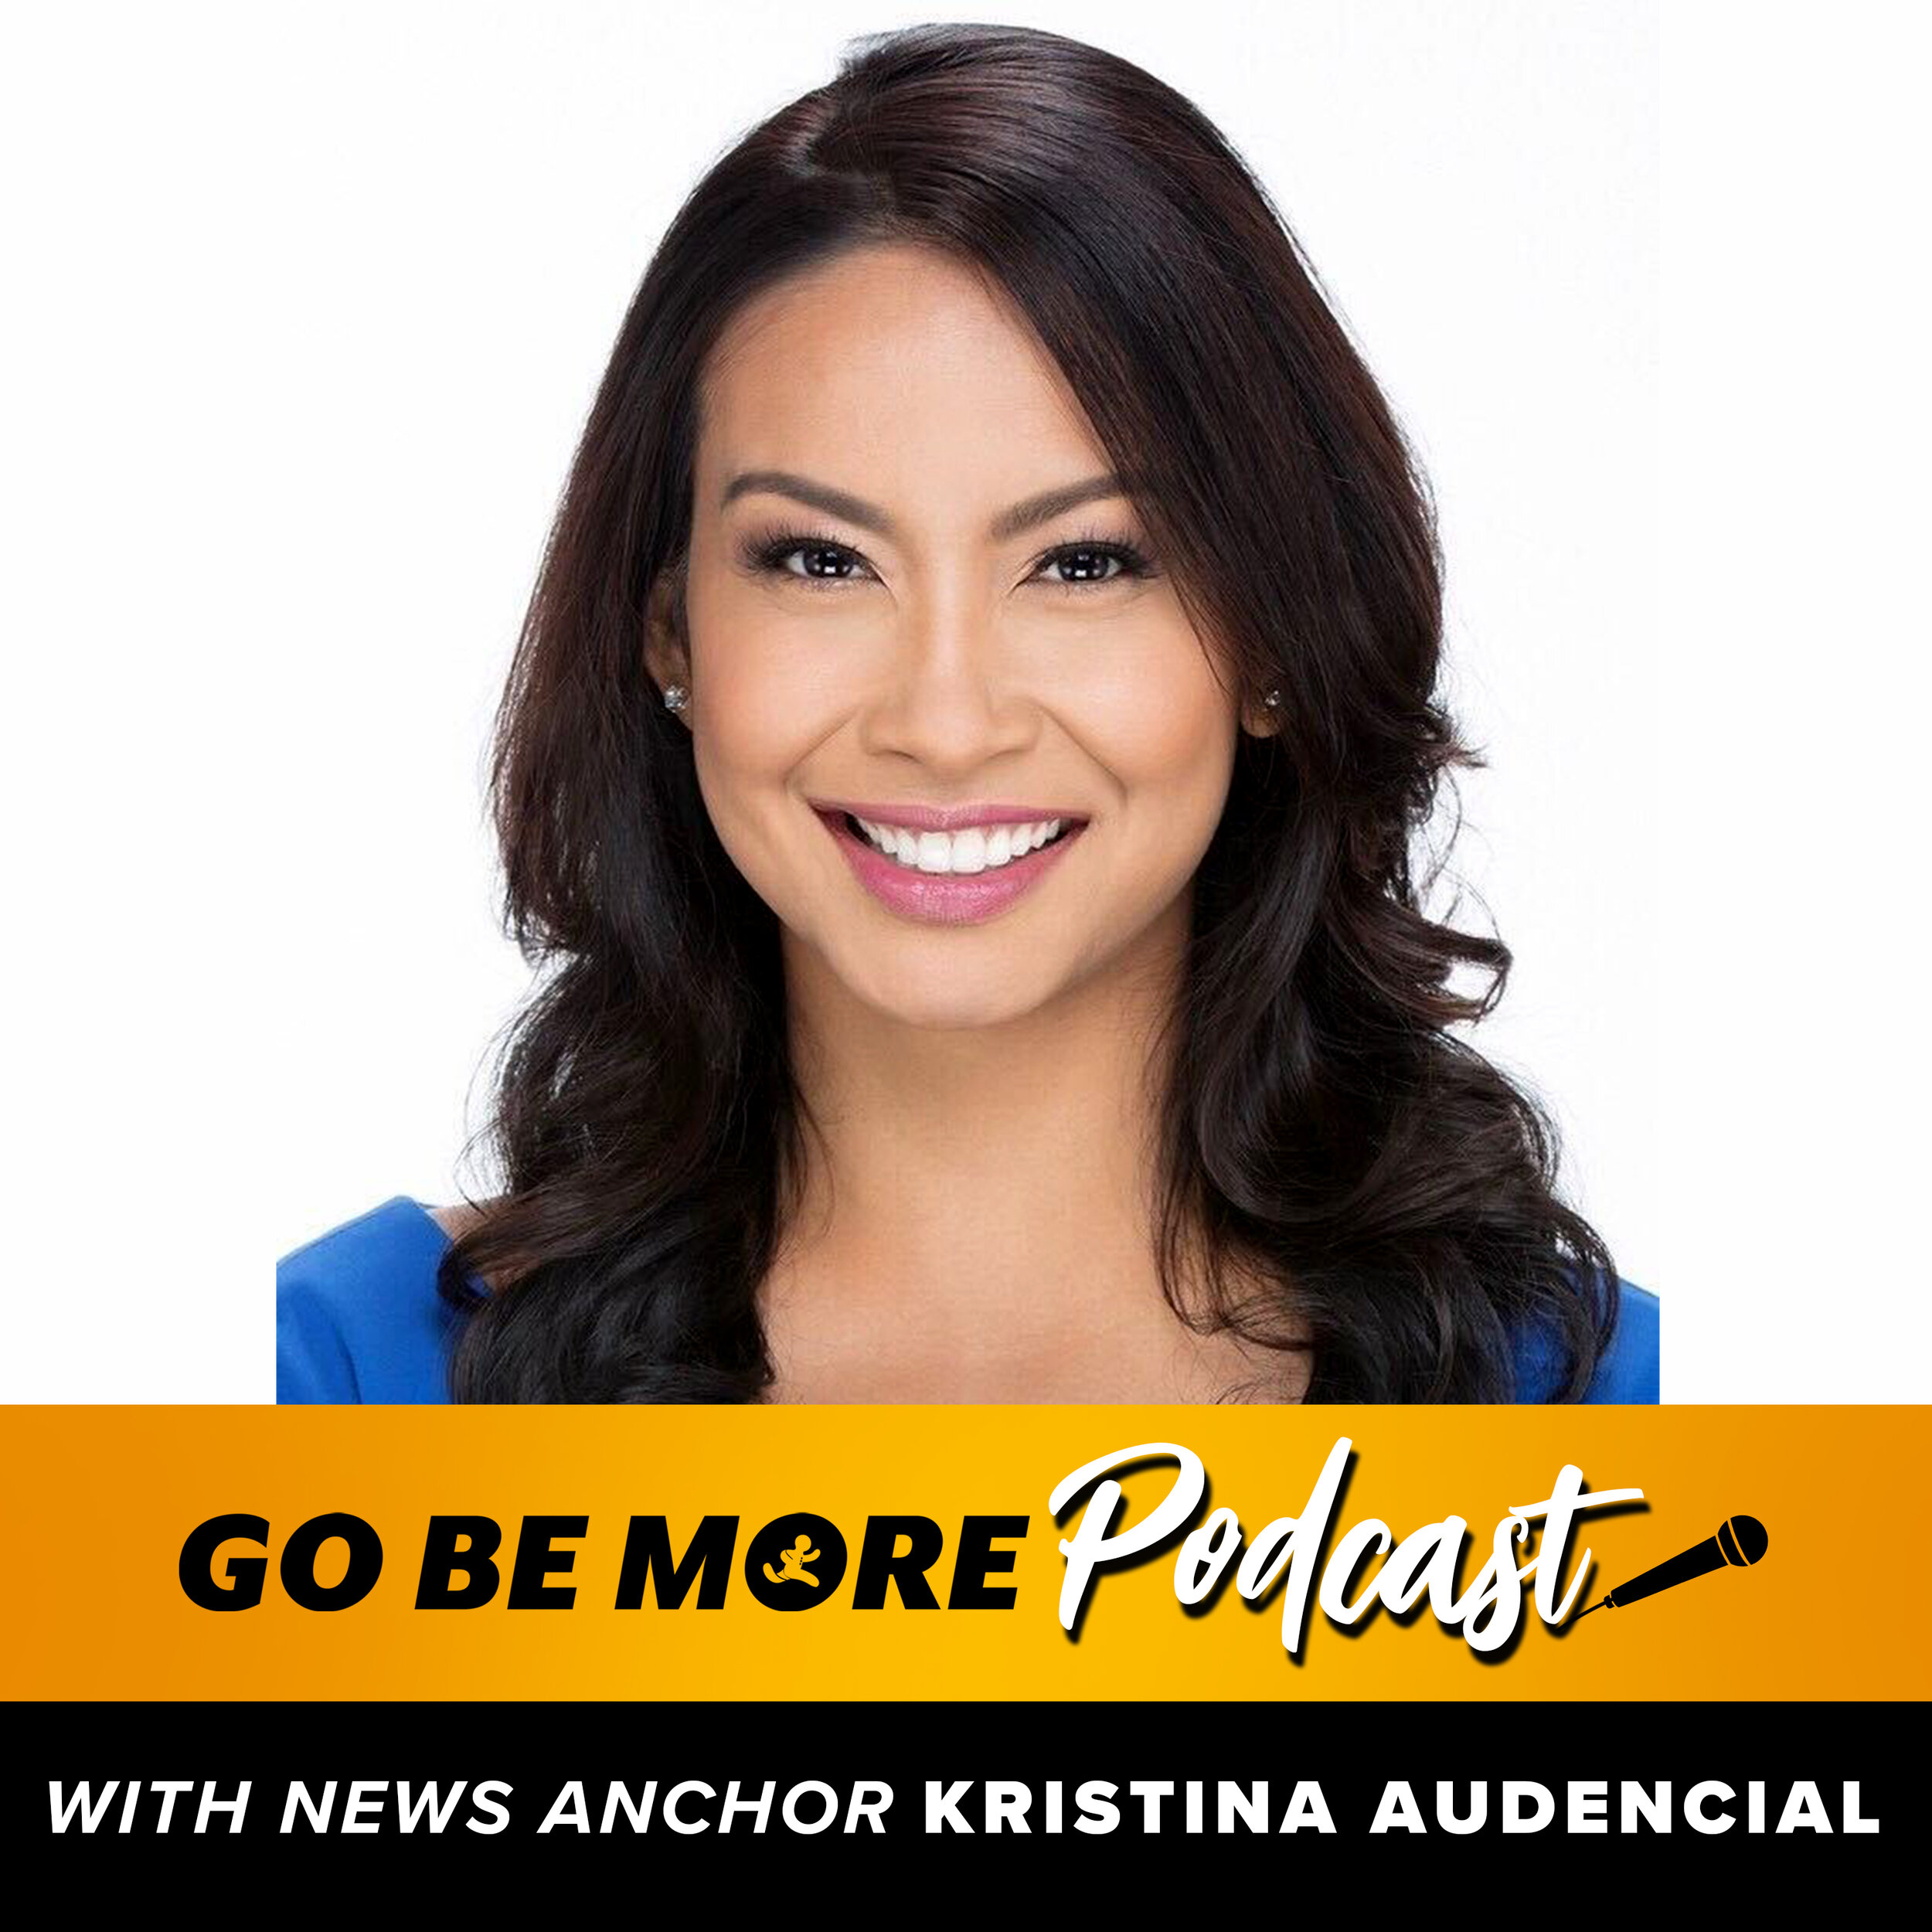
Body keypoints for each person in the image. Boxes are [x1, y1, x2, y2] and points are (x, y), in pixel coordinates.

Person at [277, 22, 1660, 1406]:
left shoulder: (1637, 1412)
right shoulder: (330, 1376)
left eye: (1085, 564)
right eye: (822, 562)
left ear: (1270, 639)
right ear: (669, 630)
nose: (945, 722)